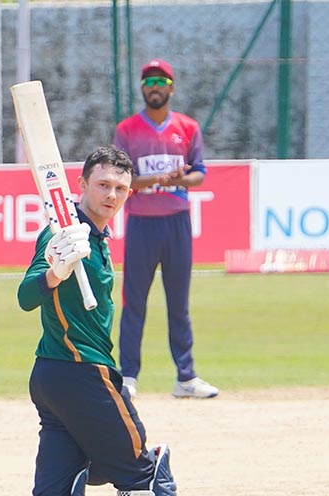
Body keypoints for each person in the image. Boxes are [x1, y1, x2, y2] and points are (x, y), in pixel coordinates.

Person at [4, 145, 197, 496]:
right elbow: (25, 296)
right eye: (103, 185)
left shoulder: (99, 238)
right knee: (146, 477)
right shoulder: (63, 232)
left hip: (54, 376)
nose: (112, 195)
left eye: (120, 188)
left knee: (53, 493)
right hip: (82, 373)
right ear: (82, 186)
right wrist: (55, 270)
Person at [113, 58, 219, 400]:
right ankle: (128, 376)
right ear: (142, 88)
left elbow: (199, 173)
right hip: (141, 224)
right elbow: (122, 179)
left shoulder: (187, 127)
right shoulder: (127, 129)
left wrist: (179, 180)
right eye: (149, 82)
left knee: (178, 304)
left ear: (171, 88)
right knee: (134, 304)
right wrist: (156, 179)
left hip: (177, 222)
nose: (155, 88)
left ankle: (185, 378)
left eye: (161, 82)